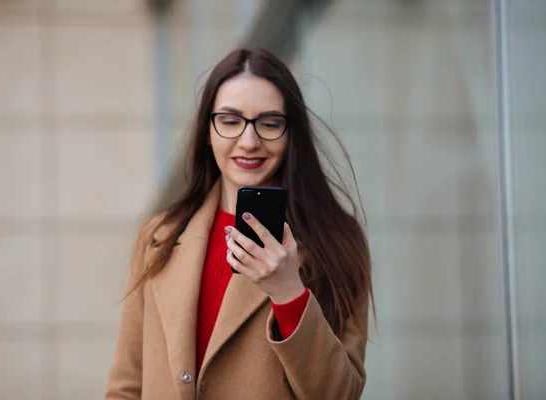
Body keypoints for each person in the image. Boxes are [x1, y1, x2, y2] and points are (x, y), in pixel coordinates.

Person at [106, 47, 374, 400]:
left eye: (269, 123)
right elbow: (127, 385)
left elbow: (341, 394)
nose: (249, 142)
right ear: (207, 131)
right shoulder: (161, 236)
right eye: (230, 121)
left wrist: (288, 293)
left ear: (291, 132)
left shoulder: (336, 240)